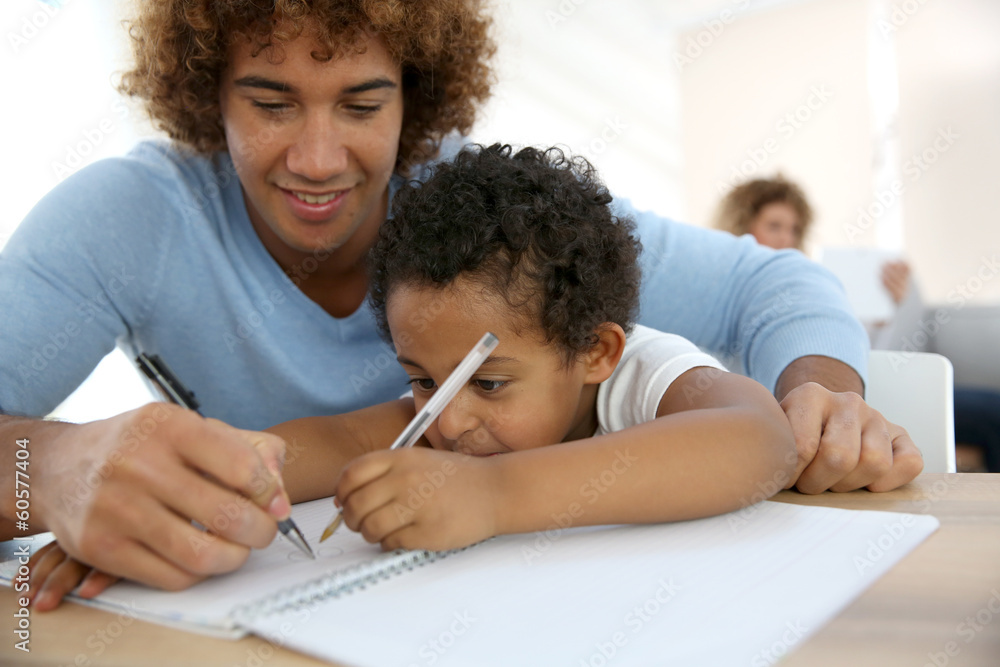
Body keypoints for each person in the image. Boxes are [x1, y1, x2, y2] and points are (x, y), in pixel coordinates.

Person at [1, 1, 921, 593]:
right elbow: (317, 447)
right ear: (205, 96)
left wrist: (827, 392)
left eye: (362, 105)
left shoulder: (497, 235)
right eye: (271, 103)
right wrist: (96, 478)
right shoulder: (125, 220)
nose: (319, 159)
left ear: (417, 96)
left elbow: (772, 286)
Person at [27, 143, 797, 606]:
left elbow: (759, 440)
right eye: (422, 380)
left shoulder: (639, 370)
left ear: (593, 353)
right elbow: (329, 440)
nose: (447, 418)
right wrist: (179, 495)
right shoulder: (449, 417)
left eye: (487, 382)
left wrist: (494, 497)